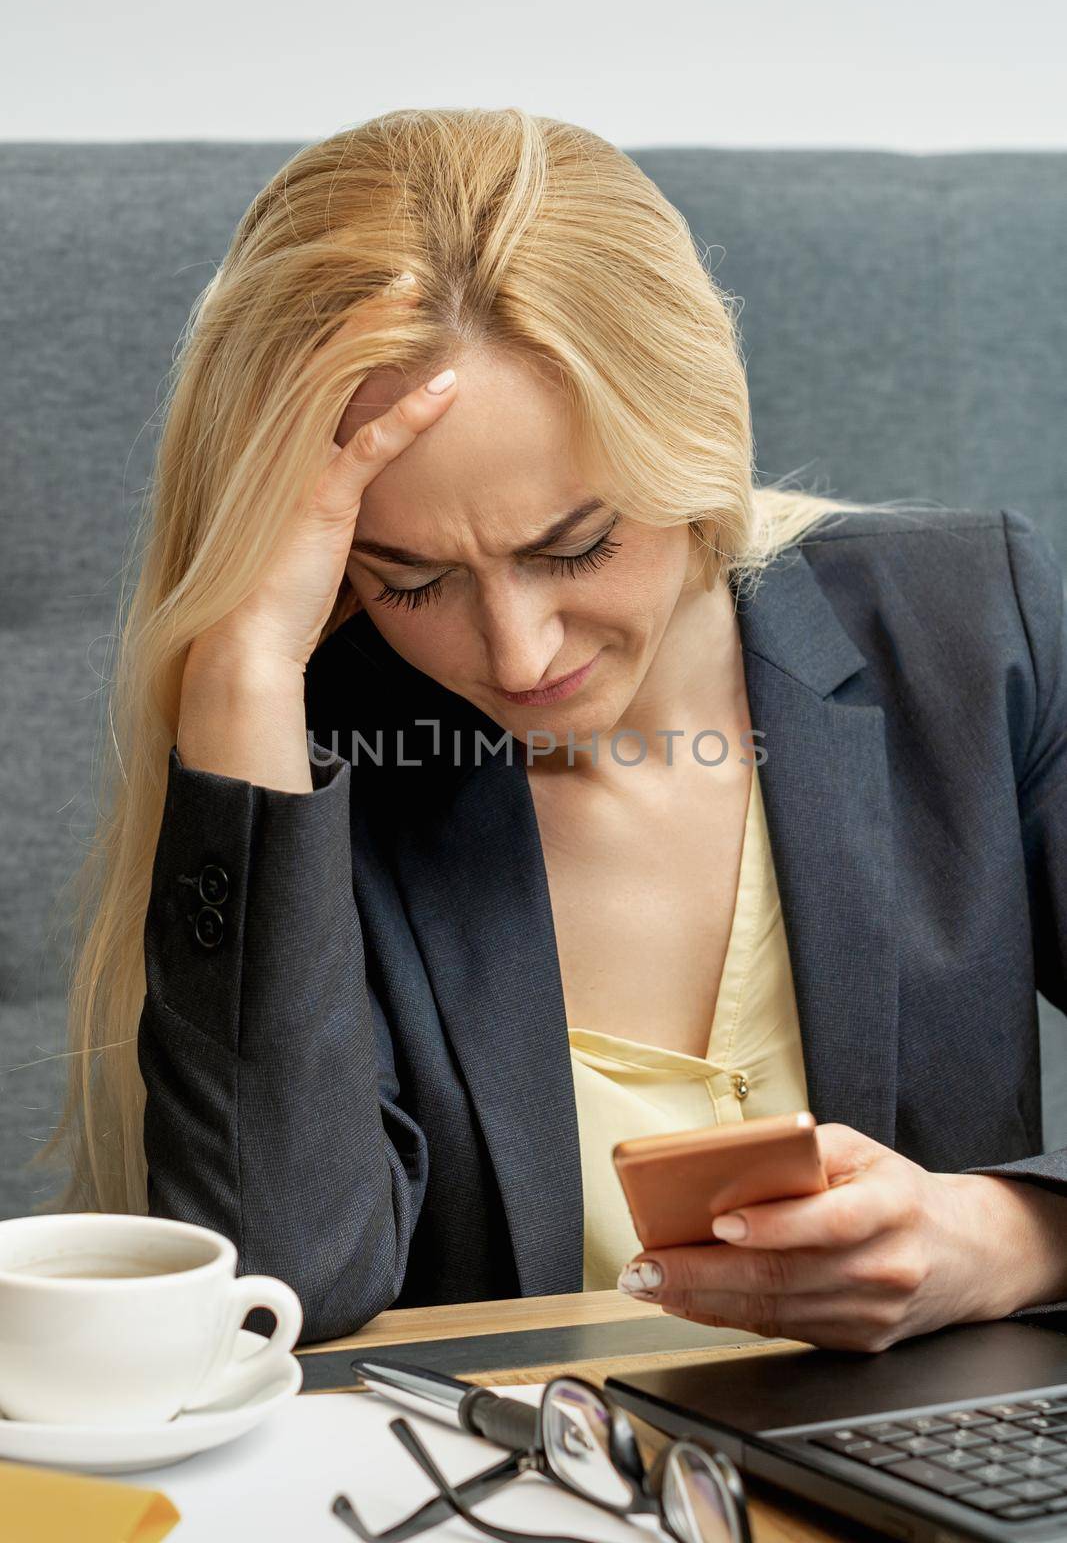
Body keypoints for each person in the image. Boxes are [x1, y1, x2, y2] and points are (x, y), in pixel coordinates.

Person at [41, 108, 1067, 1350]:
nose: (520, 655)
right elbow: (287, 1287)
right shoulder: (319, 753)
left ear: (694, 442)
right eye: (408, 578)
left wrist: (1008, 1239)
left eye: (575, 545)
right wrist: (245, 672)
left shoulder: (968, 630)